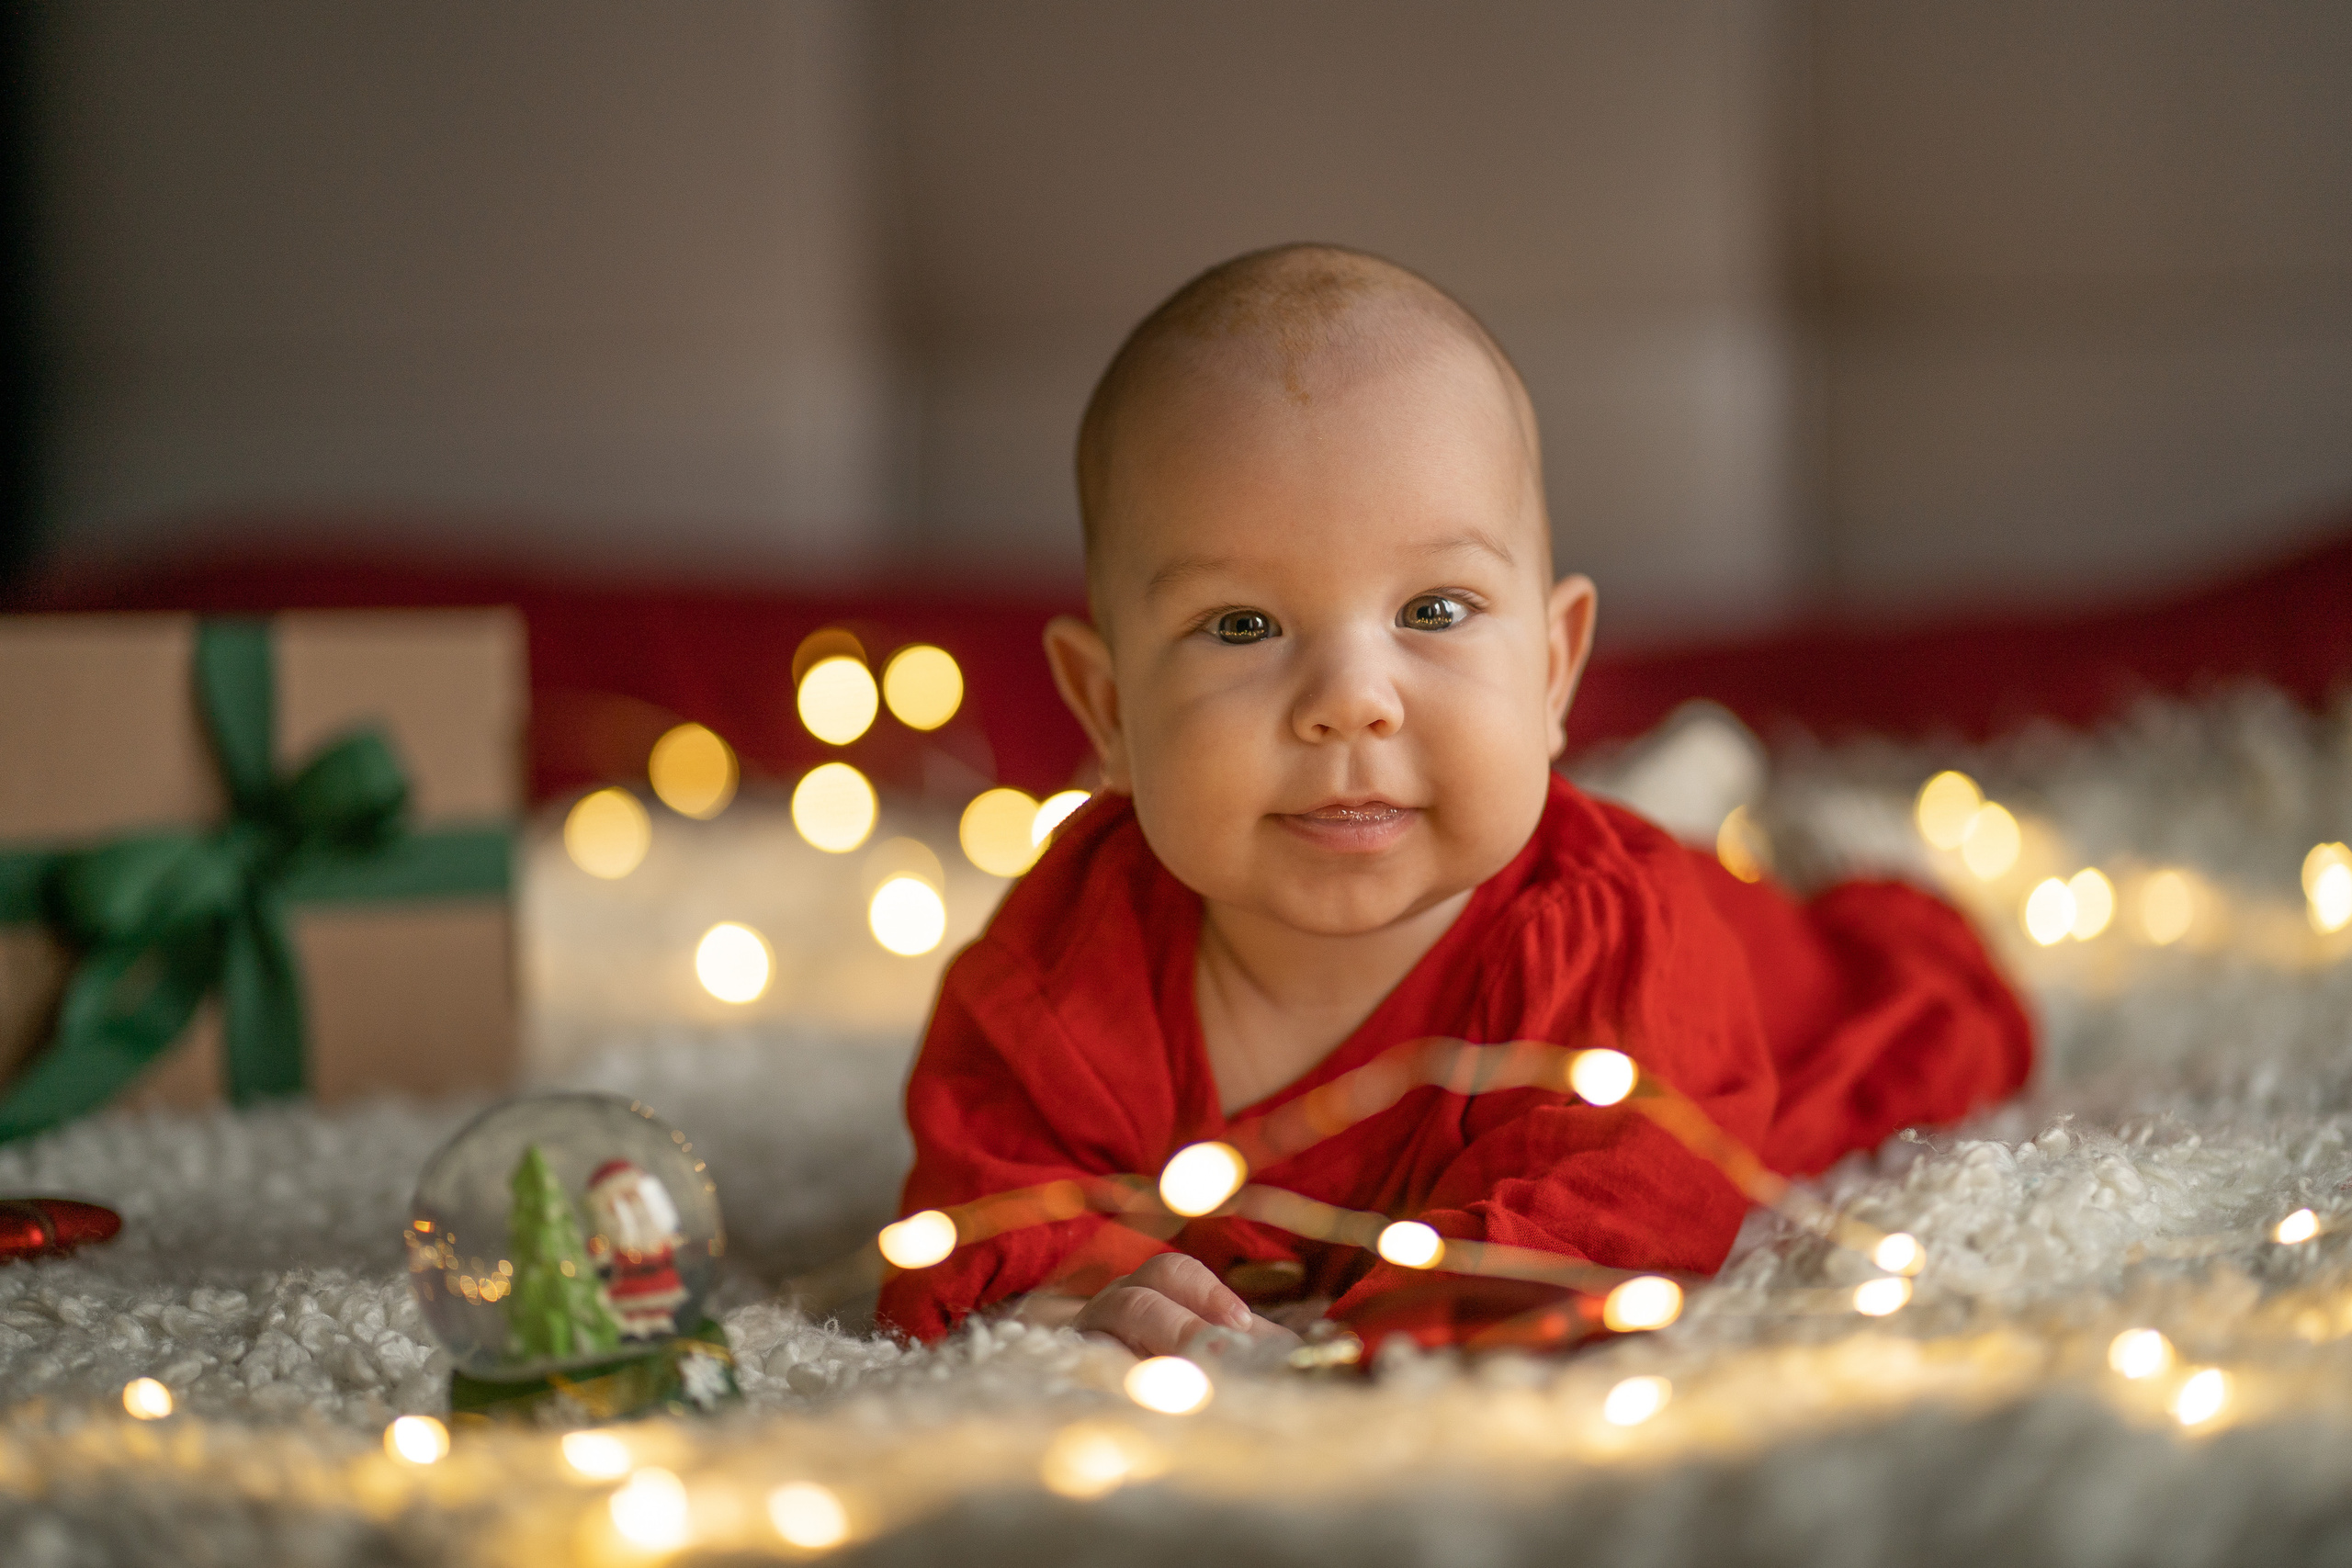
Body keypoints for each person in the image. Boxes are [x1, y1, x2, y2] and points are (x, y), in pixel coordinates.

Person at [877, 244, 2031, 1355]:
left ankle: (1819, 846)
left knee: (1927, 993)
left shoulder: (1613, 951)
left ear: (1549, 669)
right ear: (1109, 711)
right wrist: (1072, 1292)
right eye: (1241, 625)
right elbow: (980, 1215)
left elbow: (1600, 1234)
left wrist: (1344, 1352)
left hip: (1777, 979)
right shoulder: (1059, 969)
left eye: (1432, 609)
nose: (1349, 702)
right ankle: (1682, 785)